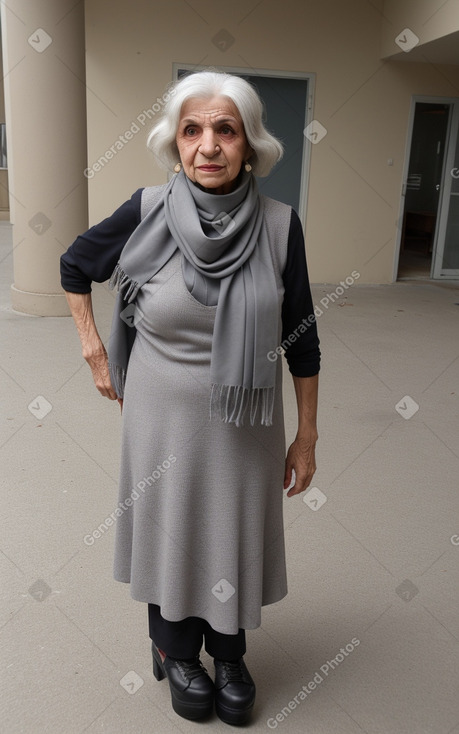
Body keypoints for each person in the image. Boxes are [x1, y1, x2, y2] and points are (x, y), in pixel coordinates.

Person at [60, 70, 320, 726]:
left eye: (224, 130)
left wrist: (307, 433)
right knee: (171, 527)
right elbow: (73, 264)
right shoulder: (145, 211)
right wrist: (94, 347)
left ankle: (228, 653)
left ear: (249, 144)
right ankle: (175, 650)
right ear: (175, 142)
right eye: (191, 130)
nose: (208, 145)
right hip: (159, 417)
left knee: (229, 530)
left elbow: (303, 339)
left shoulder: (280, 227)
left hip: (246, 420)